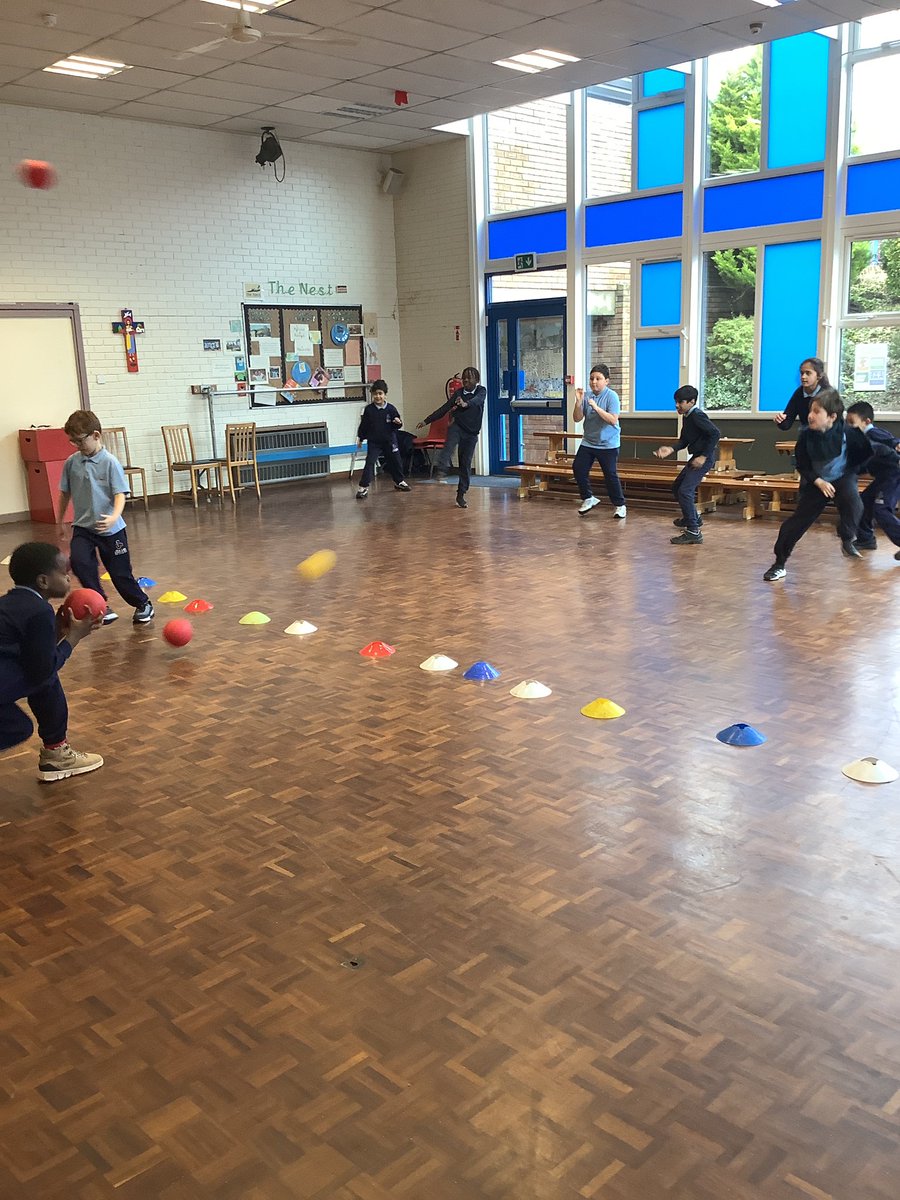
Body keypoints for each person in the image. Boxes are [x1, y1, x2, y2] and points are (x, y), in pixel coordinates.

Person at [0, 541, 102, 782]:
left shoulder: (9, 603)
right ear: (43, 581)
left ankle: (57, 755)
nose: (69, 578)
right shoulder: (39, 611)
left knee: (44, 681)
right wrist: (74, 637)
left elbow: (31, 655)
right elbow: (43, 669)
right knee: (19, 726)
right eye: (64, 573)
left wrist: (56, 633)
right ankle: (57, 754)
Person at [57, 411, 155, 626]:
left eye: (80, 440)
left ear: (96, 435)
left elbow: (120, 494)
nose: (77, 445)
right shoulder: (72, 463)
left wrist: (113, 517)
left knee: (120, 574)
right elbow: (65, 493)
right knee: (80, 562)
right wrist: (60, 521)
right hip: (83, 527)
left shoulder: (110, 462)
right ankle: (101, 603)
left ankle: (143, 603)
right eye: (73, 441)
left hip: (111, 530)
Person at [763, 388, 871, 581]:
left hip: (842, 477)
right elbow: (802, 465)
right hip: (816, 480)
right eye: (810, 411)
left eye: (816, 412)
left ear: (832, 417)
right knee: (796, 524)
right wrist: (818, 481)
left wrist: (852, 474)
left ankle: (847, 538)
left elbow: (864, 454)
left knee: (854, 504)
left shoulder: (849, 433)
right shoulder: (806, 435)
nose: (810, 416)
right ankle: (779, 564)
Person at [654, 385, 720, 545]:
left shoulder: (697, 416)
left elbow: (715, 433)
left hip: (703, 459)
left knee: (685, 491)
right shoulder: (687, 416)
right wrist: (671, 449)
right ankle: (693, 517)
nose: (677, 405)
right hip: (696, 457)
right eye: (676, 402)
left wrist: (703, 456)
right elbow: (684, 440)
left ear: (692, 402)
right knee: (677, 487)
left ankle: (693, 532)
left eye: (681, 402)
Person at [417, 366, 486, 509]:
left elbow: (477, 401)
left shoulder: (481, 391)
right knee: (449, 445)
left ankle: (461, 494)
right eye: (464, 378)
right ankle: (441, 470)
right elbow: (444, 408)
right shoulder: (458, 393)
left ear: (477, 380)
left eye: (469, 378)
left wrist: (466, 403)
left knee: (465, 463)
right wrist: (426, 421)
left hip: (471, 433)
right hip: (458, 426)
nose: (466, 380)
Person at [846, 400, 900, 559]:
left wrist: (897, 444)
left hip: (894, 475)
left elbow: (890, 440)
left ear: (867, 422)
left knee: (881, 508)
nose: (849, 427)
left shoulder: (873, 433)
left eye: (852, 423)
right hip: (883, 477)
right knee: (864, 502)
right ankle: (866, 539)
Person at [572, 364, 626, 519]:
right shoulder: (586, 396)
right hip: (589, 441)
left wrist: (596, 407)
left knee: (610, 475)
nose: (594, 382)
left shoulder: (611, 396)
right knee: (578, 468)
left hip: (608, 443)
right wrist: (578, 402)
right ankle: (588, 498)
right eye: (591, 378)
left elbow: (613, 420)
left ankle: (620, 505)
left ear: (606, 381)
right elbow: (577, 418)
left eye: (598, 379)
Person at [356, 379, 411, 499]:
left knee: (396, 461)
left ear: (385, 395)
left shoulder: (391, 409)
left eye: (380, 393)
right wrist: (360, 438)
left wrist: (398, 422)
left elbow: (397, 424)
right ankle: (363, 487)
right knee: (370, 462)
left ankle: (399, 481)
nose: (378, 396)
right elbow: (364, 425)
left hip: (389, 440)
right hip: (374, 442)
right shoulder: (369, 410)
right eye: (375, 394)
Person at [772, 357, 829, 432]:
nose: (803, 377)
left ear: (819, 376)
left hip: (827, 435)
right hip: (806, 435)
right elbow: (787, 424)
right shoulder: (799, 393)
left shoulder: (828, 394)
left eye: (808, 373)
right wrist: (780, 420)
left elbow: (837, 425)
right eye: (802, 373)